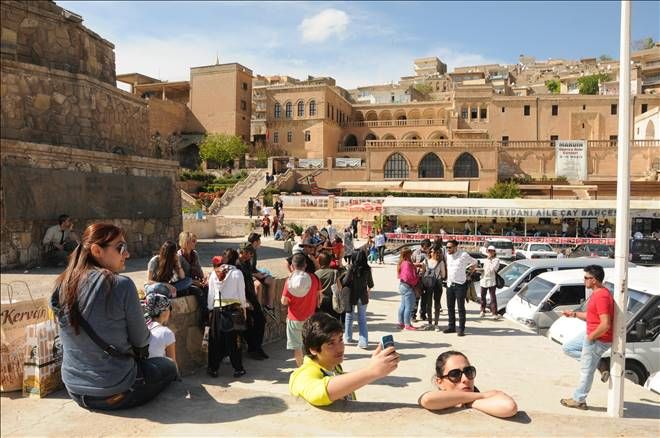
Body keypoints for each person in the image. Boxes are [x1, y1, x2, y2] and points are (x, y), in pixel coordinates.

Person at [50, 223, 177, 410]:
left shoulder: (61, 285)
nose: (127, 254)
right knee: (169, 366)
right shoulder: (121, 285)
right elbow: (142, 341)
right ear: (96, 250)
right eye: (121, 248)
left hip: (75, 389)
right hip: (116, 391)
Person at [289, 312, 400, 406]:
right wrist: (371, 371)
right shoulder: (302, 375)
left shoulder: (333, 366)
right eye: (331, 343)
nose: (340, 348)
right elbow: (317, 393)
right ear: (313, 349)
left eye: (340, 339)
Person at [560, 265, 614, 410]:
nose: (583, 280)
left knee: (586, 370)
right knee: (568, 348)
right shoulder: (597, 293)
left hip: (597, 338)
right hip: (591, 334)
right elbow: (592, 317)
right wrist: (574, 314)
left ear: (594, 280)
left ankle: (579, 399)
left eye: (586, 278)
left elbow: (605, 324)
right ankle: (600, 364)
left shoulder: (602, 296)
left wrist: (591, 337)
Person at [419, 351, 518, 418]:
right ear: (439, 382)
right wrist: (482, 395)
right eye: (455, 374)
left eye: (468, 371)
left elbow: (509, 407)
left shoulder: (477, 402)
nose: (465, 379)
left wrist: (469, 402)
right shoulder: (482, 397)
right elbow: (427, 399)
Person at [206, 249, 247, 378]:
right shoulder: (237, 273)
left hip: (218, 310)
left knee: (215, 341)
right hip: (233, 310)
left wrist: (210, 309)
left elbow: (211, 294)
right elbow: (241, 294)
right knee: (235, 341)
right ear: (235, 260)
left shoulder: (214, 273)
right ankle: (238, 369)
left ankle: (213, 369)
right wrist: (244, 309)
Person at [281, 253, 321, 366]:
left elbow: (283, 301)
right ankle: (312, 369)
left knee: (297, 348)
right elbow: (319, 298)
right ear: (305, 265)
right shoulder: (314, 278)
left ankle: (301, 370)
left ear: (292, 267)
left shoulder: (289, 281)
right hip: (310, 318)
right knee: (310, 346)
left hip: (294, 318)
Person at [237, 243, 268, 360]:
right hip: (244, 298)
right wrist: (245, 301)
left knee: (260, 320)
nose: (250, 256)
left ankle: (256, 347)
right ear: (244, 252)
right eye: (249, 254)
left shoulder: (245, 263)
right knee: (248, 325)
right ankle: (253, 348)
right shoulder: (237, 264)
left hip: (251, 296)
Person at [443, 240, 477, 336]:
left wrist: (470, 273)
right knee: (450, 307)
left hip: (460, 285)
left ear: (455, 247)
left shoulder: (464, 255)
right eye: (447, 247)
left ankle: (461, 329)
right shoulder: (447, 255)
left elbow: (475, 262)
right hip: (449, 284)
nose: (448, 249)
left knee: (460, 308)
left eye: (450, 247)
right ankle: (451, 327)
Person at [342, 250, 374, 349]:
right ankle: (363, 341)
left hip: (352, 295)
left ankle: (348, 337)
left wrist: (347, 272)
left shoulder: (351, 268)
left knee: (349, 316)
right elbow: (371, 284)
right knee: (362, 319)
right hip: (362, 296)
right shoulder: (367, 269)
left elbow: (345, 282)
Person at [177, 232, 208, 325]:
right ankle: (205, 317)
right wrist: (194, 282)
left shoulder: (195, 254)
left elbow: (199, 268)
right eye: (193, 241)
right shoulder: (179, 257)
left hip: (194, 280)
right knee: (198, 291)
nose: (195, 243)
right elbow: (180, 277)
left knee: (207, 287)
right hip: (184, 283)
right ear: (186, 242)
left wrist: (203, 279)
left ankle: (210, 313)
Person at [247, 232, 277, 319]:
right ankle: (258, 310)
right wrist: (257, 275)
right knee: (258, 285)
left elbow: (253, 268)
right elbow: (245, 269)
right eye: (259, 240)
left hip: (254, 273)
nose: (260, 242)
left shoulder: (254, 251)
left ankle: (269, 307)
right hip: (248, 275)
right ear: (255, 242)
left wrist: (260, 273)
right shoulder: (248, 251)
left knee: (271, 280)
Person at [145, 293, 177, 370]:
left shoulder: (142, 327)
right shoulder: (166, 333)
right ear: (164, 312)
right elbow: (172, 363)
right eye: (170, 309)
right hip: (157, 375)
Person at [421, 245, 447, 331]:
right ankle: (436, 324)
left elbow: (423, 273)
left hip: (427, 284)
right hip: (437, 284)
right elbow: (443, 275)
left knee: (429, 303)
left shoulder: (425, 261)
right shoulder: (441, 262)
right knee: (437, 304)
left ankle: (430, 323)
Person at [397, 247, 419, 331]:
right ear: (407, 254)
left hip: (402, 285)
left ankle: (401, 322)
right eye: (411, 253)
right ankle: (407, 324)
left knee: (403, 305)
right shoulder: (407, 264)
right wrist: (417, 279)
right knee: (409, 307)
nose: (412, 254)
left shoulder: (402, 262)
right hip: (408, 286)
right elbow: (408, 277)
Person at [315, 252, 341, 320]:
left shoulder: (316, 274)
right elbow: (340, 287)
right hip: (332, 300)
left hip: (320, 301)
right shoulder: (334, 272)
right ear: (330, 262)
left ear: (319, 262)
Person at [412, 239, 431, 321]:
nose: (427, 249)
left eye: (428, 247)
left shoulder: (431, 253)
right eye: (425, 247)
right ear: (422, 246)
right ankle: (413, 315)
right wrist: (419, 264)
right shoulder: (416, 252)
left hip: (427, 277)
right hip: (418, 277)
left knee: (425, 298)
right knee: (416, 297)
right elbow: (411, 263)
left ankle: (423, 314)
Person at [479, 245, 501, 320]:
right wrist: (480, 270)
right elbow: (484, 269)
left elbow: (493, 269)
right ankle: (482, 310)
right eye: (489, 251)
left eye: (491, 251)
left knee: (492, 297)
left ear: (494, 252)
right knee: (482, 296)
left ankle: (494, 313)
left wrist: (490, 260)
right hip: (484, 279)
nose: (490, 252)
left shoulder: (496, 260)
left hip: (491, 280)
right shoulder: (486, 260)